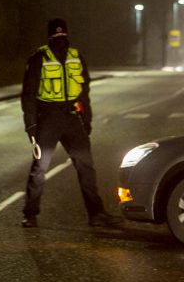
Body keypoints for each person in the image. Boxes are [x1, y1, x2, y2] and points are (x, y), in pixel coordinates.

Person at [20, 18, 121, 229]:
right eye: (56, 35)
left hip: (72, 117)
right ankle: (30, 214)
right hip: (48, 118)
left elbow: (84, 92)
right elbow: (28, 94)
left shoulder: (76, 56)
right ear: (50, 36)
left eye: (62, 34)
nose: (59, 38)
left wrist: (87, 118)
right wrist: (31, 125)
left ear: (66, 33)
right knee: (40, 168)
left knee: (86, 167)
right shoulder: (39, 58)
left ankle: (96, 214)